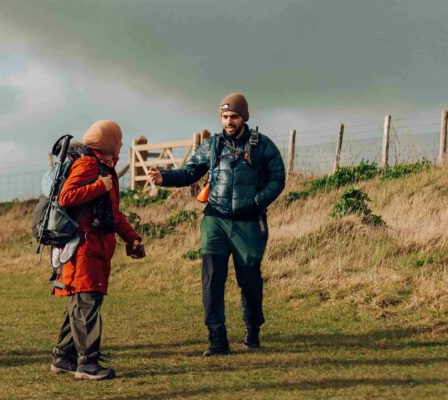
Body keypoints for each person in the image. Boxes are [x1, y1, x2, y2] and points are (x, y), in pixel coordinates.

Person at [147, 93, 285, 356]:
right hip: (215, 220)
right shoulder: (212, 145)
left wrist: (257, 201)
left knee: (250, 282)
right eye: (224, 116)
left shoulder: (263, 145)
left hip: (248, 223)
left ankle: (252, 331)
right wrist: (164, 177)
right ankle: (217, 340)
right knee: (211, 280)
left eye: (233, 116)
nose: (229, 121)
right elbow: (190, 172)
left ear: (244, 117)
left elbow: (277, 178)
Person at [50, 120, 145, 380]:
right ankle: (87, 364)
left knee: (81, 304)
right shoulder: (88, 164)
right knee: (86, 303)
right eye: (118, 139)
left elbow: (113, 213)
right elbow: (66, 198)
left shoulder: (103, 167)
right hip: (83, 247)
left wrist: (132, 238)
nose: (121, 144)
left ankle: (63, 357)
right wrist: (99, 187)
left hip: (96, 246)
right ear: (107, 142)